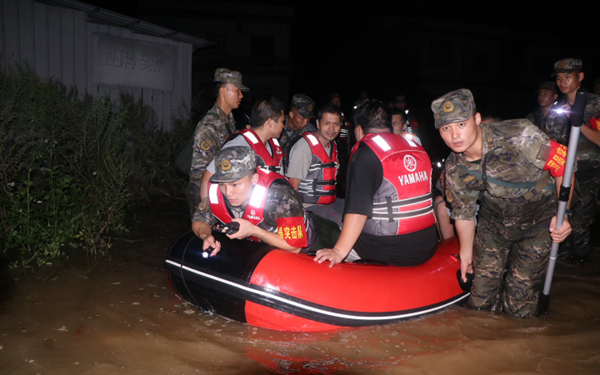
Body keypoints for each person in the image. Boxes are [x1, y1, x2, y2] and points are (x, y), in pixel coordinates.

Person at [432, 88, 573, 316]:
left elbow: (563, 167)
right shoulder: (454, 168)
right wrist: (466, 256)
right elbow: (464, 214)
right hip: (494, 221)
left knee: (520, 302)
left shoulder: (519, 134)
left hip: (538, 221)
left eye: (461, 124)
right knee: (479, 300)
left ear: (477, 119)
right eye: (445, 128)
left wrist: (563, 213)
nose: (454, 135)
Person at [314, 99, 438, 267]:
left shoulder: (365, 154)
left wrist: (338, 252)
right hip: (428, 244)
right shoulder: (417, 148)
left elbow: (358, 210)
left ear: (359, 130)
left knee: (324, 227)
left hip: (388, 250)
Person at [192, 146, 318, 255]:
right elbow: (200, 220)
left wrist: (253, 230)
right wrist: (206, 236)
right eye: (223, 184)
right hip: (259, 249)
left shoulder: (280, 195)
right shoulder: (217, 191)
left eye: (235, 185)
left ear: (254, 179)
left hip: (308, 247)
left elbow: (295, 246)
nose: (228, 192)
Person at [541, 58, 600, 265]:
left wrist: (578, 122)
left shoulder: (596, 104)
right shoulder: (558, 108)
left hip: (588, 169)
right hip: (562, 169)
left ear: (580, 77)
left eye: (568, 76)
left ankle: (580, 258)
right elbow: (549, 141)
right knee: (559, 211)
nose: (563, 82)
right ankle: (562, 254)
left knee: (582, 215)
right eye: (559, 78)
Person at [186, 68, 249, 218]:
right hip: (205, 191)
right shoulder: (209, 125)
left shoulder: (228, 120)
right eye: (237, 90)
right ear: (223, 90)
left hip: (221, 189)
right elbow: (199, 172)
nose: (241, 95)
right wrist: (209, 204)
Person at [199, 97, 286, 199]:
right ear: (270, 122)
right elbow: (206, 178)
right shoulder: (238, 145)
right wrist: (207, 210)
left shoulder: (274, 147)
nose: (283, 126)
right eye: (282, 121)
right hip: (239, 212)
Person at [286, 103, 345, 227]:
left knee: (356, 213)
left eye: (336, 124)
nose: (331, 129)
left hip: (329, 202)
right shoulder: (304, 147)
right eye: (327, 123)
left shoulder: (333, 146)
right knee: (343, 223)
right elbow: (293, 186)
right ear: (318, 124)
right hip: (309, 206)